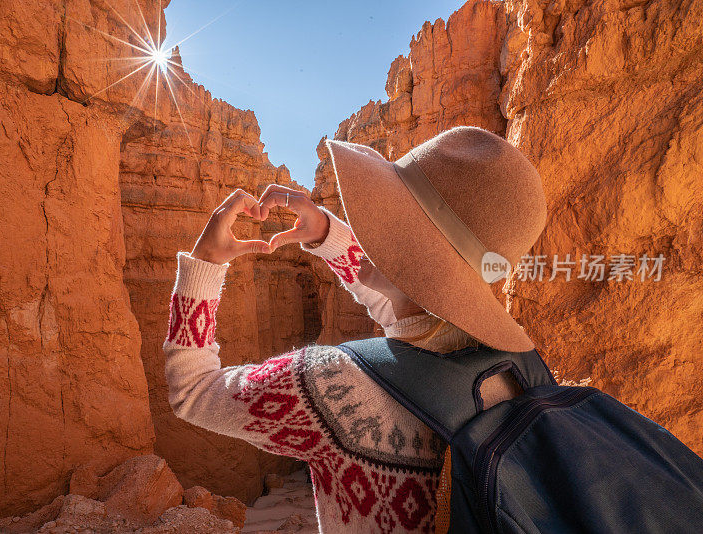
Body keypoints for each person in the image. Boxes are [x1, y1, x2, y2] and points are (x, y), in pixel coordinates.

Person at [163, 125, 547, 533]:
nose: (369, 224)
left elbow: (193, 390)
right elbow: (409, 324)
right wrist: (327, 235)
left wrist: (204, 264)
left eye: (388, 214)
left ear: (415, 246)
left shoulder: (334, 388)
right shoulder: (522, 370)